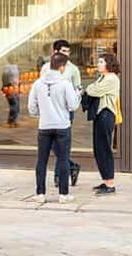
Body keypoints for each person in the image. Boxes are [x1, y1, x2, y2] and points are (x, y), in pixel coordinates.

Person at [28, 53, 80, 203]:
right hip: (62, 126)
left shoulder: (38, 84)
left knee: (41, 160)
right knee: (63, 159)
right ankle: (63, 194)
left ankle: (40, 193)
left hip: (44, 126)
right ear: (62, 67)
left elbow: (32, 107)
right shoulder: (65, 84)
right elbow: (73, 105)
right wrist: (78, 95)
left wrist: (41, 114)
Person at [40, 40, 82, 187]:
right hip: (48, 111)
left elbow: (78, 88)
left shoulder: (73, 69)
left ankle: (59, 176)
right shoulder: (45, 68)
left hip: (65, 112)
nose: (66, 54)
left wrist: (75, 97)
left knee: (62, 144)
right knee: (52, 144)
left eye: (68, 52)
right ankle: (71, 166)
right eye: (63, 51)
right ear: (55, 52)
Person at [86, 53, 121, 195]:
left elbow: (93, 90)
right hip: (100, 115)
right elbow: (92, 89)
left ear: (108, 64)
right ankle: (106, 180)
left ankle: (110, 184)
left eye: (101, 62)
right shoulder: (103, 77)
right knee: (98, 148)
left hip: (106, 115)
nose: (98, 64)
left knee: (104, 149)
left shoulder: (112, 78)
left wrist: (89, 89)